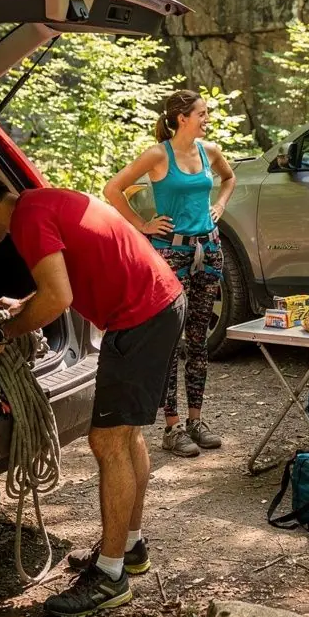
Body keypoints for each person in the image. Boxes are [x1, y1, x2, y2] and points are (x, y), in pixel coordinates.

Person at [0, 166, 185, 617]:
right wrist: (22, 304)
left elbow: (58, 299)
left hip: (141, 315)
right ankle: (129, 548)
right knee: (125, 436)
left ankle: (110, 576)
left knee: (108, 441)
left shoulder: (27, 221)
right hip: (158, 302)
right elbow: (60, 279)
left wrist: (2, 333)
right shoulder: (39, 202)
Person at [104, 90, 236, 458]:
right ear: (182, 118)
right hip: (171, 254)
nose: (207, 119)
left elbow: (229, 179)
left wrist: (219, 205)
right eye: (202, 113)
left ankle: (196, 421)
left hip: (208, 251)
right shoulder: (158, 155)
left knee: (198, 341)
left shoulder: (209, 151)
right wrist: (142, 224)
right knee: (169, 341)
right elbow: (112, 189)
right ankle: (172, 426)